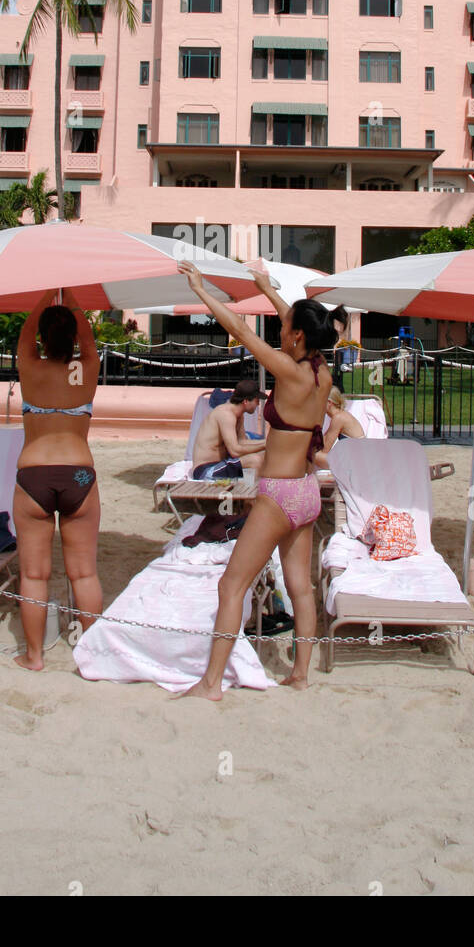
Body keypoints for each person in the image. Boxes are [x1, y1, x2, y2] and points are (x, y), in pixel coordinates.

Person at [179, 260, 344, 698]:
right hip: (307, 492)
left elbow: (241, 330)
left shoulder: (287, 371)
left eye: (286, 327)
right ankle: (301, 674)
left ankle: (211, 683)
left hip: (278, 494)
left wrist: (201, 291)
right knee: (301, 589)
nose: (280, 330)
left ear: (297, 336)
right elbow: (299, 319)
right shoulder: (321, 373)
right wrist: (268, 289)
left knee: (231, 584)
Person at [14, 288, 100, 672]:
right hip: (79, 474)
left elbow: (24, 334)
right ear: (73, 337)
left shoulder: (30, 367)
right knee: (84, 572)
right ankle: (92, 657)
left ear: (43, 339)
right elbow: (87, 339)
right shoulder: (88, 369)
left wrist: (47, 295)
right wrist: (74, 300)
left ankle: (34, 657)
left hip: (34, 473)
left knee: (34, 574)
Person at [191, 378, 267, 480]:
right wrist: (265, 444)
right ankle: (252, 494)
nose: (258, 404)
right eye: (256, 401)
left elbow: (242, 442)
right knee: (255, 460)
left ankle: (254, 490)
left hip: (220, 465)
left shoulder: (238, 415)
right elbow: (235, 451)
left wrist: (267, 443)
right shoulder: (226, 415)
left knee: (264, 455)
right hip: (205, 470)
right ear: (245, 401)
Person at [314, 387, 365, 469]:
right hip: (356, 459)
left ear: (329, 403)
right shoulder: (341, 415)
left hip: (354, 463)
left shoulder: (338, 418)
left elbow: (325, 449)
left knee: (311, 455)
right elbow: (325, 439)